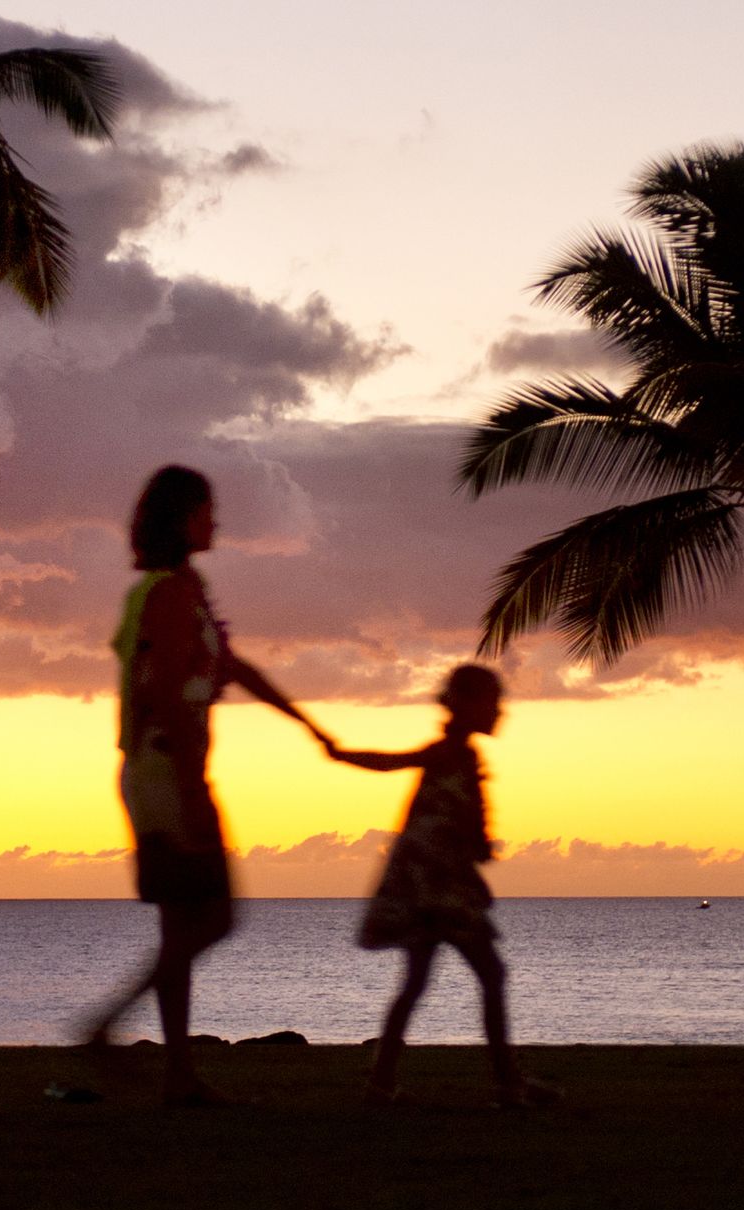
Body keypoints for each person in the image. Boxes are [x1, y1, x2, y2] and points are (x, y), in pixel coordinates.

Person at [75, 464, 333, 1105]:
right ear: (182, 518)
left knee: (182, 925)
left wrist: (305, 723)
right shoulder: (165, 593)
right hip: (168, 768)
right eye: (206, 510)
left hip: (165, 766)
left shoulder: (188, 590)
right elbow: (162, 689)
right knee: (214, 916)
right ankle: (109, 1027)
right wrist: (191, 785)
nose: (215, 521)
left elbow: (231, 665)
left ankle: (177, 1077)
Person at [323, 662, 555, 1107]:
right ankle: (507, 1086)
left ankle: (382, 1084)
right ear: (468, 707)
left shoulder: (462, 756)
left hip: (434, 885)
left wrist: (479, 841)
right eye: (492, 703)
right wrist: (342, 754)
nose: (499, 712)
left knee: (419, 983)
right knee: (488, 974)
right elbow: (391, 763)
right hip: (438, 889)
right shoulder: (450, 753)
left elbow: (457, 816)